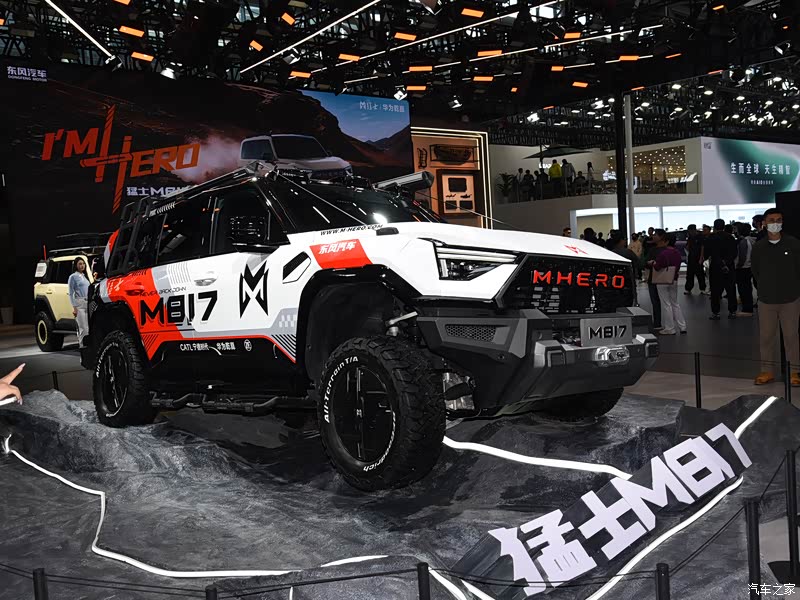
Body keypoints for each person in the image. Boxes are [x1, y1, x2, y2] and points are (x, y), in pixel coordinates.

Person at [751, 208, 800, 385]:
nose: (775, 223)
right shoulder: (759, 247)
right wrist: (764, 288)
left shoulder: (793, 243)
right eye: (772, 220)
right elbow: (755, 271)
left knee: (791, 337)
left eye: (779, 220)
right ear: (764, 223)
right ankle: (767, 371)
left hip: (790, 300)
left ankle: (795, 372)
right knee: (766, 337)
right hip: (766, 300)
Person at [649, 231, 686, 335]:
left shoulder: (663, 253)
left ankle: (670, 328)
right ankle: (682, 326)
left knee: (666, 304)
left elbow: (657, 267)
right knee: (675, 303)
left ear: (666, 241)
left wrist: (653, 263)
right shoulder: (677, 253)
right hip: (674, 279)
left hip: (662, 280)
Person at [704, 219, 738, 320]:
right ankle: (732, 311)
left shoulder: (711, 238)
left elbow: (707, 253)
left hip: (715, 267)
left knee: (715, 291)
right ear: (724, 226)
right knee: (730, 290)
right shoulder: (730, 237)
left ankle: (716, 313)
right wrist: (726, 262)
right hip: (729, 267)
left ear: (714, 227)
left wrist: (718, 261)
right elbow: (735, 253)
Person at [644, 232, 665, 329]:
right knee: (656, 301)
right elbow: (645, 263)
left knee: (660, 301)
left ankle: (661, 323)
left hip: (659, 278)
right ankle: (658, 322)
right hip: (656, 277)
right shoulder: (652, 249)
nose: (653, 236)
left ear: (661, 237)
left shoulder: (660, 250)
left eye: (656, 234)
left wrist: (652, 263)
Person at [68, 257, 91, 347]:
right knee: (83, 328)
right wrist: (74, 307)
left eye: (83, 263)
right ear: (76, 265)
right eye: (80, 264)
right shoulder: (73, 277)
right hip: (79, 303)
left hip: (87, 303)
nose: (82, 265)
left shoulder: (85, 276)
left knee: (88, 327)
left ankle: (88, 346)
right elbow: (70, 293)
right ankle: (82, 346)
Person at [735, 222, 755, 316]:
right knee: (747, 288)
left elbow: (742, 257)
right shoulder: (750, 240)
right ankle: (748, 307)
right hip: (748, 267)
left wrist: (738, 265)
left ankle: (747, 309)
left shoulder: (743, 241)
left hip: (743, 268)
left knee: (743, 289)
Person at [684, 224, 707, 296]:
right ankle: (688, 289)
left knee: (700, 274)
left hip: (698, 257)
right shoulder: (690, 237)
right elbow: (687, 247)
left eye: (690, 231)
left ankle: (702, 289)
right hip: (691, 257)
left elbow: (702, 247)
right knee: (689, 274)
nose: (690, 233)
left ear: (694, 230)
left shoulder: (700, 237)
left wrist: (701, 258)